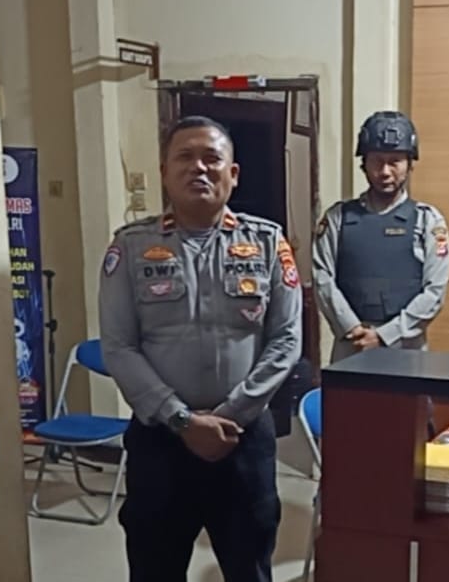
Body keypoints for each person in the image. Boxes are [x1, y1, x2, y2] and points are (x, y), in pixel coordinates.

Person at [99, 115, 302, 582]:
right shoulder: (130, 248)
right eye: (185, 157)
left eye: (212, 158)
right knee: (154, 568)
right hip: (161, 440)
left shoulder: (267, 242)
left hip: (243, 439)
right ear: (164, 172)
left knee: (249, 569)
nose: (199, 168)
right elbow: (119, 345)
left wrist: (230, 416)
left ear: (234, 173)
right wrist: (183, 420)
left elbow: (287, 339)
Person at [313, 110, 449, 363]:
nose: (385, 171)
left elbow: (435, 291)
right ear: (364, 163)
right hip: (351, 343)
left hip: (406, 345)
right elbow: (322, 277)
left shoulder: (428, 220)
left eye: (394, 161)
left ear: (409, 164)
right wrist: (353, 328)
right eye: (377, 161)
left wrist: (385, 335)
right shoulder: (337, 218)